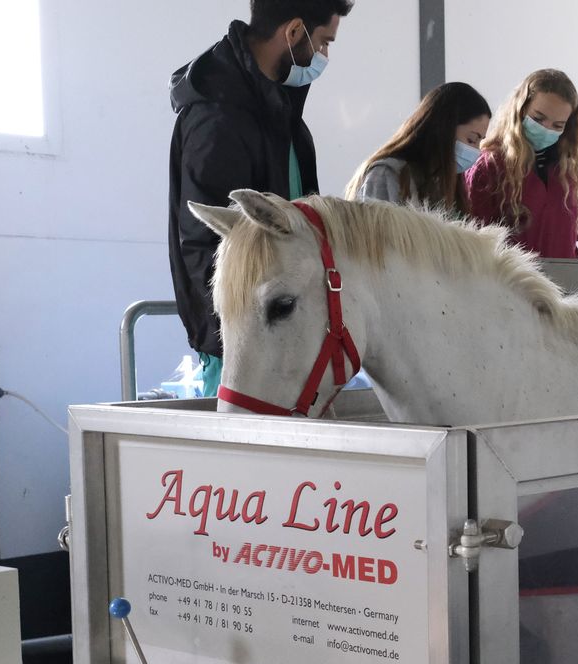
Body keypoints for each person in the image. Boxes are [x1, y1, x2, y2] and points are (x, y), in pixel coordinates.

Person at [167, 0, 353, 396]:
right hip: (247, 355)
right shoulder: (219, 118)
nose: (324, 56)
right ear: (294, 31)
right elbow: (205, 244)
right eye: (323, 42)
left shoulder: (281, 114)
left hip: (282, 339)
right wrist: (241, 343)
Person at [465, 69, 578, 259]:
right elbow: (474, 245)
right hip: (508, 277)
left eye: (558, 125)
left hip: (562, 277)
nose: (546, 129)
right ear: (521, 109)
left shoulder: (568, 174)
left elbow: (570, 245)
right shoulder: (489, 166)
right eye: (538, 118)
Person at [347, 82, 491, 216]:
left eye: (480, 141)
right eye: (472, 139)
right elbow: (375, 233)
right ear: (444, 128)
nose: (476, 151)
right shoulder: (386, 175)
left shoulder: (444, 181)